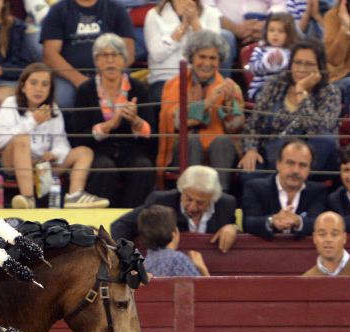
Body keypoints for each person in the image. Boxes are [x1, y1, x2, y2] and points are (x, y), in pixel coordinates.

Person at [0, 63, 109, 208]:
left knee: (84, 152)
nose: (38, 89)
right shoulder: (10, 103)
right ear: (23, 86)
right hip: (14, 161)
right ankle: (27, 198)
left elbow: (62, 143)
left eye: (44, 84)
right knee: (22, 139)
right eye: (33, 83)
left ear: (50, 89)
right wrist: (33, 121)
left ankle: (75, 195)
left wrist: (54, 153)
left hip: (43, 164)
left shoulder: (52, 108)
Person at [70, 33, 157, 209]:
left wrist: (136, 121)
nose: (110, 61)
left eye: (115, 55)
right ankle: (96, 226)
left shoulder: (138, 89)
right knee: (104, 169)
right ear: (96, 62)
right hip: (99, 150)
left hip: (131, 149)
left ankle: (131, 220)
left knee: (142, 167)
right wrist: (109, 126)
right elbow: (77, 136)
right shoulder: (85, 90)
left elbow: (153, 133)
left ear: (124, 60)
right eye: (104, 55)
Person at [156, 30, 244, 192]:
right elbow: (175, 120)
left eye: (213, 58)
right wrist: (207, 103)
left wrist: (230, 104)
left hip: (218, 152)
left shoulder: (230, 87)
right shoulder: (173, 85)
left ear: (220, 61)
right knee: (191, 141)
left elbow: (235, 128)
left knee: (223, 142)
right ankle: (191, 197)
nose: (207, 63)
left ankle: (220, 200)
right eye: (202, 57)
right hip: (183, 149)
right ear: (192, 58)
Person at [239, 39, 342, 174]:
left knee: (324, 140)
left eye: (309, 64)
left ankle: (296, 178)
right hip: (274, 153)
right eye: (297, 62)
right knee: (250, 174)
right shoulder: (275, 84)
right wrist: (251, 149)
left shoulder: (330, 92)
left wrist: (302, 91)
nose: (301, 69)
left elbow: (319, 129)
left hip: (312, 158)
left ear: (320, 68)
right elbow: (253, 124)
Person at [111, 165, 238, 251]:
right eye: (188, 199)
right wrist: (127, 257)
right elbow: (121, 225)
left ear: (212, 198)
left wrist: (233, 227)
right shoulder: (161, 201)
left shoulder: (226, 205)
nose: (192, 207)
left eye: (200, 203)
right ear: (181, 190)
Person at [39, 0, 136, 113]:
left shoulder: (116, 9)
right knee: (61, 100)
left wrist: (104, 78)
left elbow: (128, 53)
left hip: (111, 75)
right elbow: (50, 56)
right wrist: (80, 80)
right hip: (68, 78)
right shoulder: (58, 10)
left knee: (132, 96)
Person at [241, 139, 327, 238]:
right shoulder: (255, 188)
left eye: (302, 165)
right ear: (278, 164)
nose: (296, 170)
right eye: (290, 163)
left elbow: (319, 223)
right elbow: (247, 223)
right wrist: (272, 221)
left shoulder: (317, 191)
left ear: (310, 169)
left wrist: (298, 221)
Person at [145, 0, 225, 103]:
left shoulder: (211, 14)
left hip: (201, 79)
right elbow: (157, 54)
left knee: (216, 100)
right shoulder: (154, 15)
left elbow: (214, 51)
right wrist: (182, 28)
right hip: (165, 79)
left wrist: (195, 23)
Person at [138, 205, 210, 277]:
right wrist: (203, 270)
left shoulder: (143, 264)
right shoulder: (178, 259)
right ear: (174, 232)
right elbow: (204, 287)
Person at [246, 12, 297, 102]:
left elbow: (293, 71)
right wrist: (267, 62)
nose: (275, 34)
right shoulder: (260, 49)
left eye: (280, 31)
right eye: (271, 30)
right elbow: (252, 68)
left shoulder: (291, 52)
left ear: (289, 34)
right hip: (261, 88)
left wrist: (283, 62)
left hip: (283, 89)